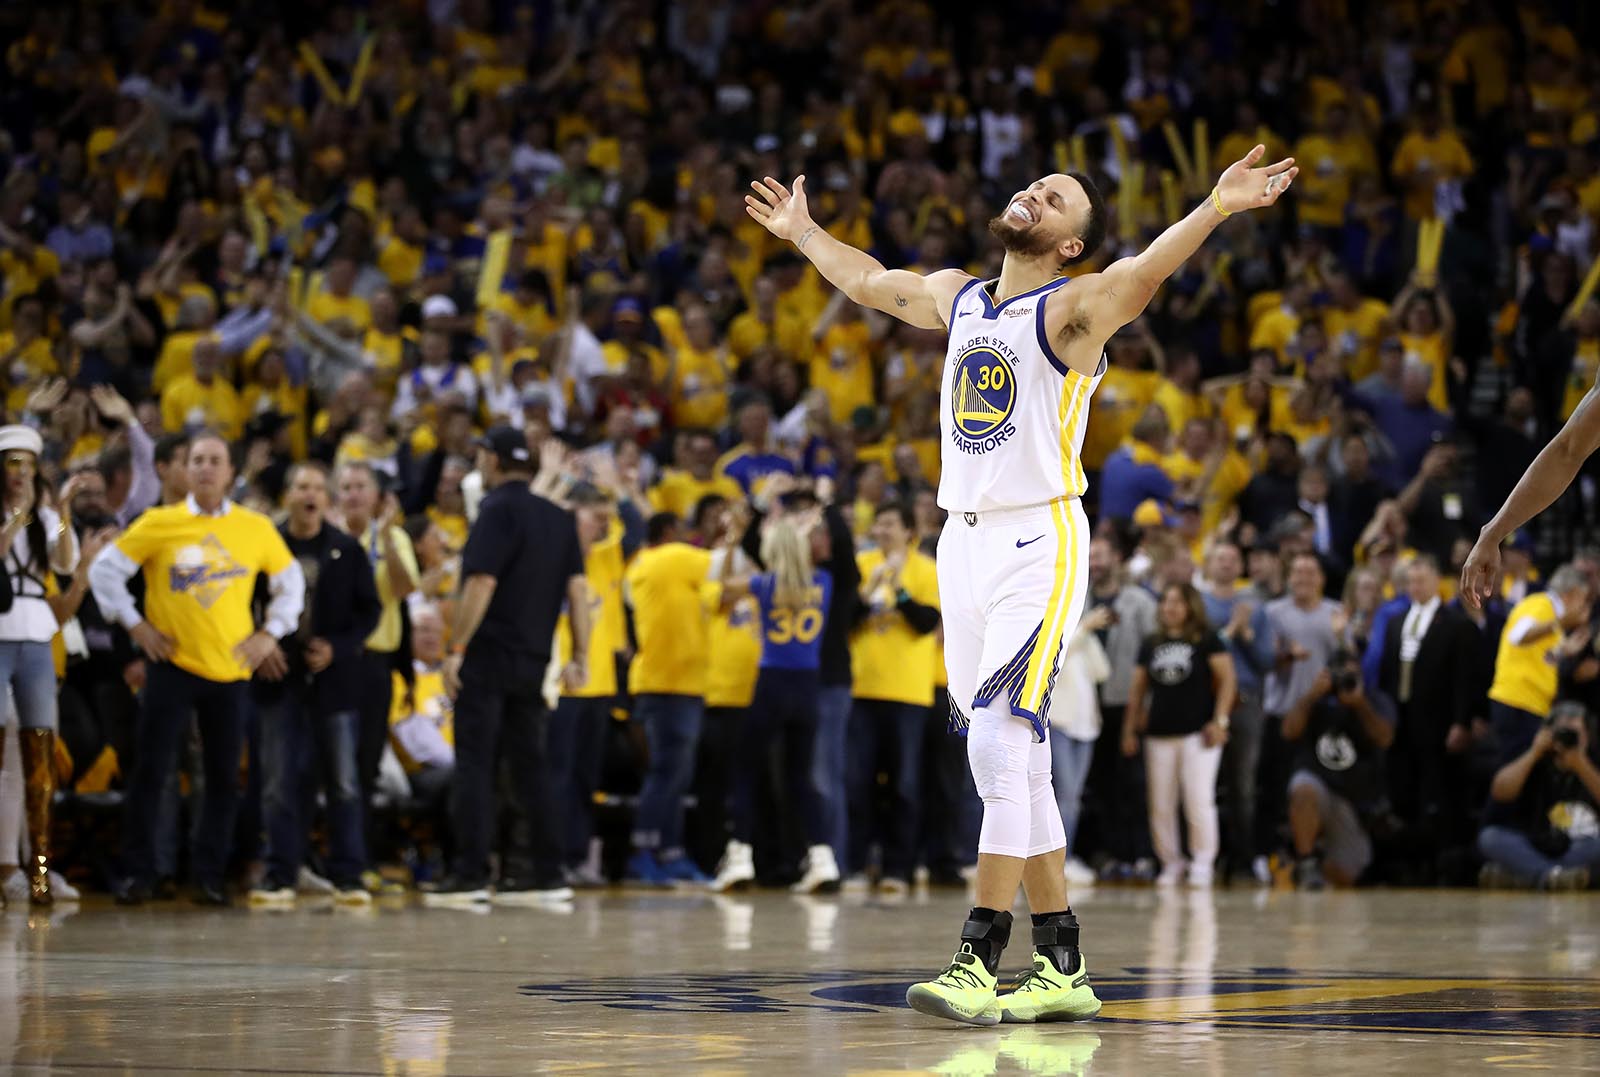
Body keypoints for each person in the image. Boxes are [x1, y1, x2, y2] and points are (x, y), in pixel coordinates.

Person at [746, 141, 1297, 1024]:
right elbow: (871, 281)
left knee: (1002, 743)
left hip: (1039, 539)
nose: (1034, 193)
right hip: (957, 545)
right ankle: (1065, 961)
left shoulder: (1075, 309)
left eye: (1057, 198)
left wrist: (1218, 208)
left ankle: (978, 955)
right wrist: (806, 232)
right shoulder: (959, 294)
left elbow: (1146, 272)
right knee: (1013, 762)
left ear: (1071, 244)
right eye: (1036, 185)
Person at [89, 432, 305, 905]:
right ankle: (142, 872)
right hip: (171, 666)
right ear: (184, 470)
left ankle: (209, 876)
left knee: (224, 779)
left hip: (230, 670)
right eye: (196, 460)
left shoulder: (255, 527)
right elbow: (104, 571)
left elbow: (292, 582)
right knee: (152, 772)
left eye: (215, 461)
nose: (205, 468)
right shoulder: (159, 522)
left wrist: (271, 634)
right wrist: (136, 626)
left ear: (230, 472)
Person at [423, 428, 586, 905]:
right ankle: (546, 873)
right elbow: (577, 592)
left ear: (492, 460)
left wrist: (456, 649)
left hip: (490, 654)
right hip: (533, 659)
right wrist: (579, 655)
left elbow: (481, 584)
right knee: (530, 766)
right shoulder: (559, 518)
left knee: (476, 764)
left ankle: (470, 873)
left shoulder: (496, 509)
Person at [248, 462, 381, 906]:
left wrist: (338, 649)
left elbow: (370, 612)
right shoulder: (264, 546)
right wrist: (260, 646)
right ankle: (280, 872)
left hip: (334, 682)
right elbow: (242, 603)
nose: (311, 494)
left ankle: (350, 874)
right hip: (277, 676)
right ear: (287, 494)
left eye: (319, 488)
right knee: (277, 781)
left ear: (328, 499)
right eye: (302, 486)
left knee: (344, 782)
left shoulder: (346, 548)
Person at [711, 515, 833, 891]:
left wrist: (733, 544)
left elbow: (720, 588)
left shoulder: (762, 584)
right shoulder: (824, 583)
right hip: (808, 689)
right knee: (801, 777)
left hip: (772, 684)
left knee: (746, 771)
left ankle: (740, 856)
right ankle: (823, 857)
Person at [0, 426, 85, 905]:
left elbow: (66, 561)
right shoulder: (13, 516)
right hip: (1, 629)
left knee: (40, 753)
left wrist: (62, 511)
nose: (20, 474)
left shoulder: (45, 515)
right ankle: (5, 866)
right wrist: (16, 518)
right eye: (12, 465)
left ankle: (40, 871)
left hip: (34, 630)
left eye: (28, 465)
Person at [622, 511, 731, 885]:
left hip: (683, 685)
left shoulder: (671, 573)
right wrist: (734, 536)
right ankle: (644, 852)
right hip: (666, 685)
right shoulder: (668, 558)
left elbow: (722, 594)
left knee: (677, 775)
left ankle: (669, 852)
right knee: (666, 772)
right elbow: (725, 566)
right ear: (669, 533)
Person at [848, 502, 940, 895]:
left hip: (908, 692)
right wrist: (870, 591)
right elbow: (847, 619)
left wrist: (899, 591)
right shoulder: (861, 564)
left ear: (908, 531)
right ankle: (854, 864)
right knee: (857, 782)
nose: (881, 530)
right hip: (862, 688)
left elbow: (926, 624)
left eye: (890, 523)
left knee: (903, 785)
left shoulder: (925, 569)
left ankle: (897, 868)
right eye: (879, 523)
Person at [1123, 582, 1237, 888]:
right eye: (1166, 601)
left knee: (1198, 800)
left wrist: (1220, 721)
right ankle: (1170, 862)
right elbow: (1137, 690)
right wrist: (1129, 729)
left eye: (1177, 601)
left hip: (1198, 734)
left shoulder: (1207, 639)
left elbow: (1228, 680)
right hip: (1158, 734)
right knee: (1160, 803)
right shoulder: (1151, 642)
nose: (1169, 607)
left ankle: (1202, 863)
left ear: (1190, 606)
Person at [336, 461, 419, 873]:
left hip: (374, 664)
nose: (353, 494)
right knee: (331, 766)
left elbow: (404, 589)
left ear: (378, 496)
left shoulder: (394, 537)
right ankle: (327, 858)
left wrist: (384, 536)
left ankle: (358, 861)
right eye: (346, 487)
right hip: (333, 663)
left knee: (365, 765)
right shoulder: (327, 537)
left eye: (360, 487)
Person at [1282, 650, 1394, 889]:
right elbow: (1289, 732)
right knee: (1302, 789)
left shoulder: (1373, 699)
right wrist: (1311, 696)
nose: (1345, 681)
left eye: (1352, 676)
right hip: (1318, 784)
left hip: (1352, 800)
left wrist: (1360, 704)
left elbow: (1384, 738)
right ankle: (1305, 862)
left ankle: (1313, 860)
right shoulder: (1315, 701)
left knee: (1347, 875)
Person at [1199, 540, 1276, 883]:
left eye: (1233, 559)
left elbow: (1266, 662)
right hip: (1207, 700)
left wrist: (1245, 632)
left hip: (1246, 700)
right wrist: (1230, 632)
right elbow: (1200, 652)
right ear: (1209, 564)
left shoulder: (1255, 607)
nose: (1227, 564)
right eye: (1221, 558)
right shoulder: (1200, 603)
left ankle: (1244, 859)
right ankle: (1209, 858)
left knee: (1243, 785)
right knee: (1205, 786)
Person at [1478, 701, 1600, 890]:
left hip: (1580, 847)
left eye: (1575, 734)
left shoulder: (1592, 761)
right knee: (1490, 837)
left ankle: (1530, 876)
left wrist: (1580, 764)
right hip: (1535, 842)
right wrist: (1534, 753)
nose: (1568, 739)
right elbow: (1500, 792)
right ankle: (1553, 876)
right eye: (1562, 732)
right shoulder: (1535, 758)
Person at [1486, 565, 1593, 758]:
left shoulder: (1550, 616)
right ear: (1572, 594)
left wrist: (1565, 651)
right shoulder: (1541, 604)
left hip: (1530, 704)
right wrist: (1559, 624)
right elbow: (1517, 636)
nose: (1583, 607)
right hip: (1518, 702)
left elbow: (1542, 657)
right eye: (1583, 600)